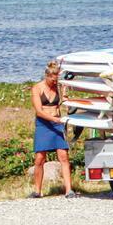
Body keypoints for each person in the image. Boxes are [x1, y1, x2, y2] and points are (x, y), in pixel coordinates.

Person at [30, 59, 74, 198]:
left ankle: (69, 190)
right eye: (53, 80)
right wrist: (54, 119)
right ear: (47, 76)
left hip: (57, 124)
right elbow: (39, 111)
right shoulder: (37, 88)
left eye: (57, 80)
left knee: (63, 156)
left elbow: (64, 102)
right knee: (39, 158)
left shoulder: (59, 87)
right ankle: (37, 191)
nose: (55, 82)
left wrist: (65, 95)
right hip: (43, 124)